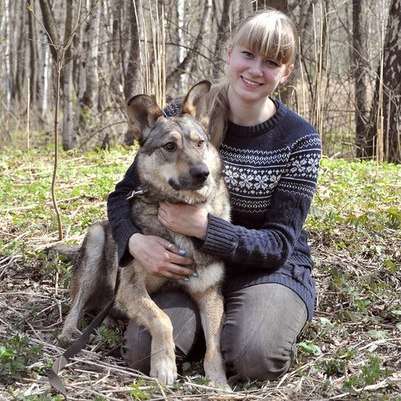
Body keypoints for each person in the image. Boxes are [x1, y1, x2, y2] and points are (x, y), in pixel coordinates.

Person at [107, 8, 321, 382]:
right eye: (248, 55)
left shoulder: (299, 139)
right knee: (144, 354)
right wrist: (134, 242)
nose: (255, 69)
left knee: (255, 356)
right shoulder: (181, 120)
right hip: (189, 266)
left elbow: (279, 243)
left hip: (266, 270)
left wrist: (207, 228)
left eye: (271, 62)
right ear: (229, 53)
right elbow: (123, 196)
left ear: (285, 73)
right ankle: (199, 329)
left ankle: (240, 328)